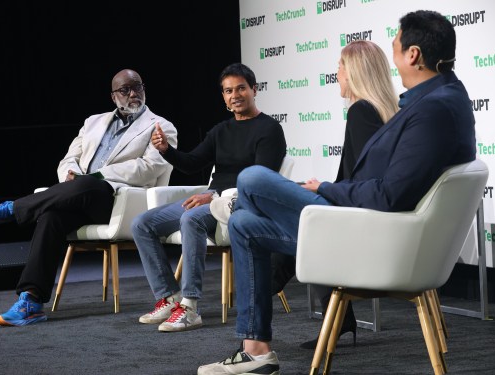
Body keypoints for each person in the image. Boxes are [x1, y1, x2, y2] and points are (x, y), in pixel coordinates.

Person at [198, 10, 476, 375]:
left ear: (413, 55)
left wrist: (327, 189)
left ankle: (234, 202)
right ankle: (256, 350)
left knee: (251, 179)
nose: (391, 55)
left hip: (369, 237)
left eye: (394, 45)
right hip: (364, 224)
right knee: (245, 226)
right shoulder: (437, 100)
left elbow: (390, 195)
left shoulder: (434, 109)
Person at [0, 69, 178, 326]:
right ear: (113, 97)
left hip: (119, 201)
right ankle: (31, 301)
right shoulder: (93, 122)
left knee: (91, 184)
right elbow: (69, 159)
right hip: (80, 196)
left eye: (138, 87)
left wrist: (97, 176)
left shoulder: (161, 126)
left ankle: (12, 209)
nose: (133, 94)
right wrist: (72, 175)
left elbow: (150, 167)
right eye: (125, 90)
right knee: (51, 216)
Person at [131, 62, 287, 333]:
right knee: (142, 224)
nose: (235, 95)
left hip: (241, 204)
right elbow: (192, 163)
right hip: (213, 200)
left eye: (241, 88)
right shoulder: (221, 130)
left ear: (254, 89)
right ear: (223, 96)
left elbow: (260, 180)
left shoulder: (269, 130)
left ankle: (190, 307)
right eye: (228, 91)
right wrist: (167, 150)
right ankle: (169, 298)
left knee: (191, 218)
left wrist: (214, 197)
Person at [271, 40, 400, 350]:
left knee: (279, 206)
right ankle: (333, 315)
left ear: (354, 72)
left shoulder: (361, 111)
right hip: (373, 220)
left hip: (364, 225)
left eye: (340, 66)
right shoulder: (381, 111)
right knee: (299, 213)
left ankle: (264, 290)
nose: (337, 73)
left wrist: (325, 190)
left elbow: (368, 182)